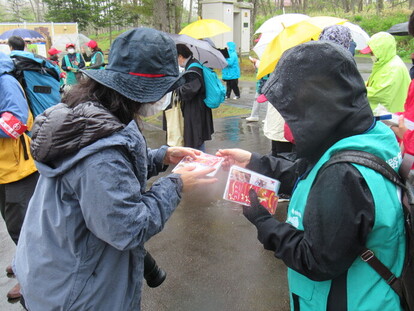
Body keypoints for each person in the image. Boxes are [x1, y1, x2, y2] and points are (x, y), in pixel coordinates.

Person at [13, 28, 217, 311]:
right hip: (76, 293)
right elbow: (128, 227)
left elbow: (117, 166)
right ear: (143, 90)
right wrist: (176, 183)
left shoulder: (93, 113)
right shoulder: (102, 149)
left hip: (56, 265)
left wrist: (162, 156)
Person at [217, 41, 405, 310]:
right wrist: (254, 162)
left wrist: (263, 222)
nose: (287, 124)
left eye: (291, 113)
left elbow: (315, 260)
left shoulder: (343, 176)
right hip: (375, 292)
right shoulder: (368, 136)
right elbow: (310, 173)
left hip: (348, 301)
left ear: (317, 106)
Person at [0, 51, 39, 301]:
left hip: (18, 169)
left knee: (23, 227)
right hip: (4, 170)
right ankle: (22, 260)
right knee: (12, 223)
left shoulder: (5, 81)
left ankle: (32, 280)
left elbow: (17, 120)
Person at [174, 43, 214, 152]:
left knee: (196, 141)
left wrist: (177, 87)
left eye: (176, 58)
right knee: (196, 140)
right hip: (197, 109)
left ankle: (201, 164)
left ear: (181, 56)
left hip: (196, 111)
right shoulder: (193, 64)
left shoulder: (194, 69)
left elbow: (189, 90)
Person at [361, 32, 410, 113]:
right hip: (386, 113)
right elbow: (373, 84)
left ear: (381, 50)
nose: (371, 55)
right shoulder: (384, 63)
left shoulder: (394, 68)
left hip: (391, 115)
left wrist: (356, 88)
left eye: (372, 53)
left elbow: (380, 94)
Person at [246, 57, 268, 122]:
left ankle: (268, 118)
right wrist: (255, 63)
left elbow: (266, 68)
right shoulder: (263, 57)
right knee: (257, 99)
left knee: (267, 100)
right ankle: (254, 115)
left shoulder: (270, 57)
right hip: (261, 81)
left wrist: (256, 62)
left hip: (266, 80)